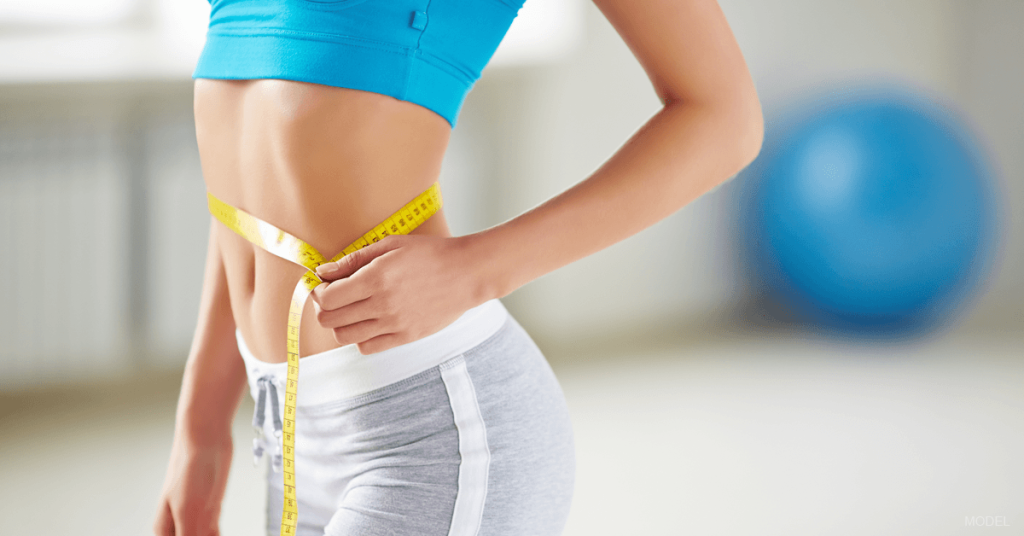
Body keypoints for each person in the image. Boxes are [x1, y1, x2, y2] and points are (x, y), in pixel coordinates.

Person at [154, 0, 763, 534]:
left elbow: (725, 118)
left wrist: (476, 270)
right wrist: (201, 425)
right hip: (290, 433)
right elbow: (247, 194)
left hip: (433, 433)